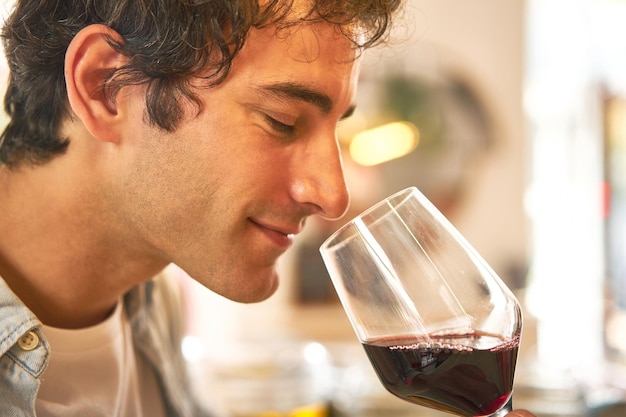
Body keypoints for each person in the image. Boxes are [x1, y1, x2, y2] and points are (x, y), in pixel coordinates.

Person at [0, 0, 538, 416]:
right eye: (282, 119)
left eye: (338, 127)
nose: (333, 196)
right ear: (105, 86)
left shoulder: (148, 300)